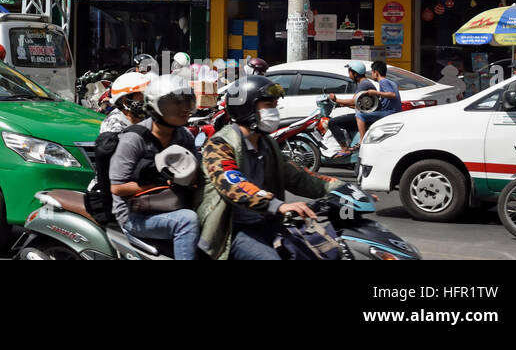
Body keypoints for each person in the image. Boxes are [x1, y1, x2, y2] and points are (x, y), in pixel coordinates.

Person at [198, 75, 336, 260]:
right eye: (268, 106)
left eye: (275, 105)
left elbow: (298, 176)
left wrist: (342, 189)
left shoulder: (266, 143)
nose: (275, 111)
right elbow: (234, 185)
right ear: (247, 108)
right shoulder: (220, 145)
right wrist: (277, 206)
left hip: (267, 224)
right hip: (232, 231)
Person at [105, 73, 202, 260]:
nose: (183, 108)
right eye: (175, 102)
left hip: (171, 204)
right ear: (156, 106)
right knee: (187, 221)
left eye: (186, 101)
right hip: (133, 213)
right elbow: (117, 188)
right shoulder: (134, 139)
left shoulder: (184, 136)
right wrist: (161, 181)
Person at [326, 61, 376, 151]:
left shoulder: (364, 84)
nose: (349, 74)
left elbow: (354, 102)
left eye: (349, 72)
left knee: (332, 123)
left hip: (364, 118)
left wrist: (336, 99)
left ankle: (344, 148)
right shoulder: (364, 83)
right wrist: (340, 104)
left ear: (355, 73)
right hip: (365, 115)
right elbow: (358, 104)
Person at [356, 60, 402, 142]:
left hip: (390, 112)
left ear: (376, 73)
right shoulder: (391, 82)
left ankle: (362, 141)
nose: (372, 75)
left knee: (360, 115)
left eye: (372, 73)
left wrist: (375, 92)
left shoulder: (383, 82)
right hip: (395, 112)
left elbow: (392, 95)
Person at [98, 71, 150, 136]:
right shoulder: (116, 125)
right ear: (125, 101)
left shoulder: (144, 116)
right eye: (142, 96)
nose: (147, 100)